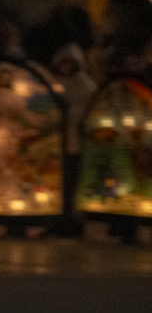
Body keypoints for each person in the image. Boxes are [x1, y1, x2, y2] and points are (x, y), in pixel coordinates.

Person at [52, 43, 98, 212]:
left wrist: (68, 112)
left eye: (70, 63)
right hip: (55, 141)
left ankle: (72, 216)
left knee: (72, 180)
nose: (66, 67)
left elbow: (88, 110)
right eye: (63, 63)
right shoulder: (53, 82)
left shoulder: (84, 84)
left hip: (74, 142)